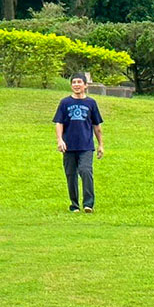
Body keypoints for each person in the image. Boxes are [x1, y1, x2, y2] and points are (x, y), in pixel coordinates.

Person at [53, 73, 104, 213]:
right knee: (71, 175)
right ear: (71, 85)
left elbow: (97, 126)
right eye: (74, 82)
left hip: (86, 146)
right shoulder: (65, 103)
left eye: (79, 82)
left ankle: (88, 204)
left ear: (85, 85)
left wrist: (100, 145)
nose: (76, 85)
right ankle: (74, 205)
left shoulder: (91, 103)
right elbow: (59, 123)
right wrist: (60, 140)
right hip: (68, 146)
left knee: (86, 171)